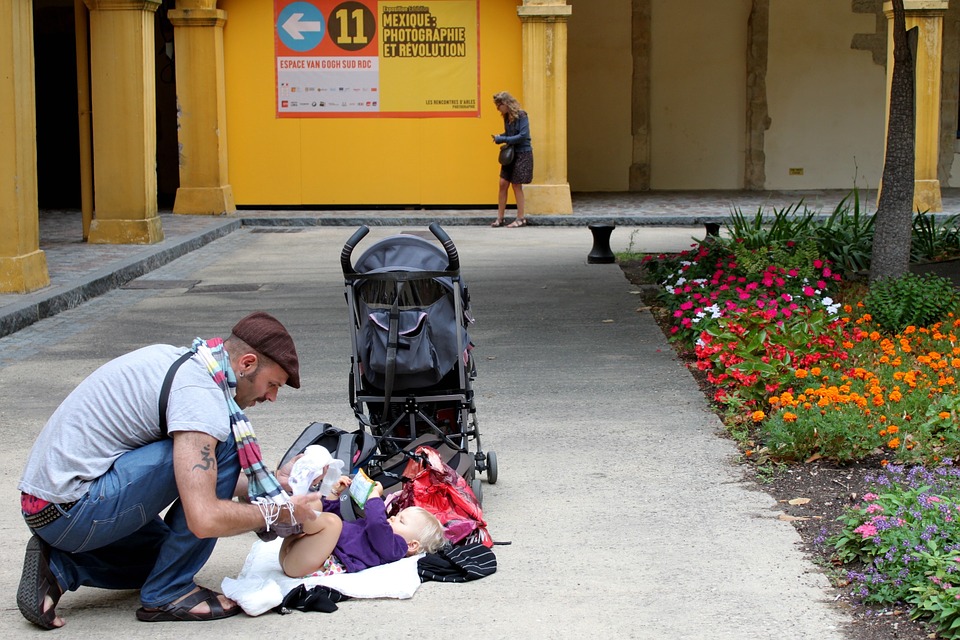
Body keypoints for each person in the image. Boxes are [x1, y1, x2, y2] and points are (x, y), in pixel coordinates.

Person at [16, 311, 324, 629]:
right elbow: (204, 518)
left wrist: (268, 486)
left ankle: (59, 564)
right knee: (226, 444)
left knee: (163, 557)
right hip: (72, 508)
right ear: (246, 364)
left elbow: (193, 472)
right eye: (272, 384)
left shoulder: (192, 363)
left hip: (46, 508)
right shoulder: (200, 398)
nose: (272, 397)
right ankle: (170, 591)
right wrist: (276, 513)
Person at [278, 478, 446, 579]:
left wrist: (374, 498)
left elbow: (376, 524)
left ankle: (289, 512)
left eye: (401, 521)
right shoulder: (369, 531)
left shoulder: (395, 548)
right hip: (296, 550)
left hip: (312, 564)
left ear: (412, 545)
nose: (393, 517)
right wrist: (335, 496)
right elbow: (344, 527)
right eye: (397, 515)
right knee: (322, 509)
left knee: (332, 523)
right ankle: (293, 513)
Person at [490, 91, 534, 228]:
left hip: (522, 153)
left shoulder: (522, 115)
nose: (498, 108)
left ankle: (521, 218)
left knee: (516, 185)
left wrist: (503, 139)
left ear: (506, 103)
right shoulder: (506, 116)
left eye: (499, 105)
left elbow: (523, 135)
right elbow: (510, 134)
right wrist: (499, 137)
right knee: (503, 183)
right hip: (511, 155)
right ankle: (500, 218)